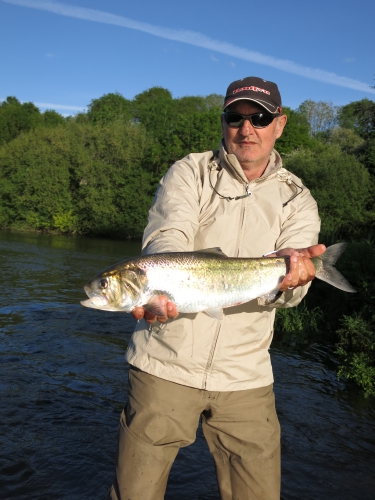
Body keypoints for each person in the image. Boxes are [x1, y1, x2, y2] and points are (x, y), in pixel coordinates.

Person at [107, 76, 325, 500]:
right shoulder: (190, 171)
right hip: (164, 364)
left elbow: (293, 292)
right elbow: (167, 233)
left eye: (259, 118)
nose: (247, 129)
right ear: (223, 122)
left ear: (279, 124)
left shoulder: (297, 198)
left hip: (247, 376)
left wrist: (298, 277)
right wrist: (159, 280)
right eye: (235, 117)